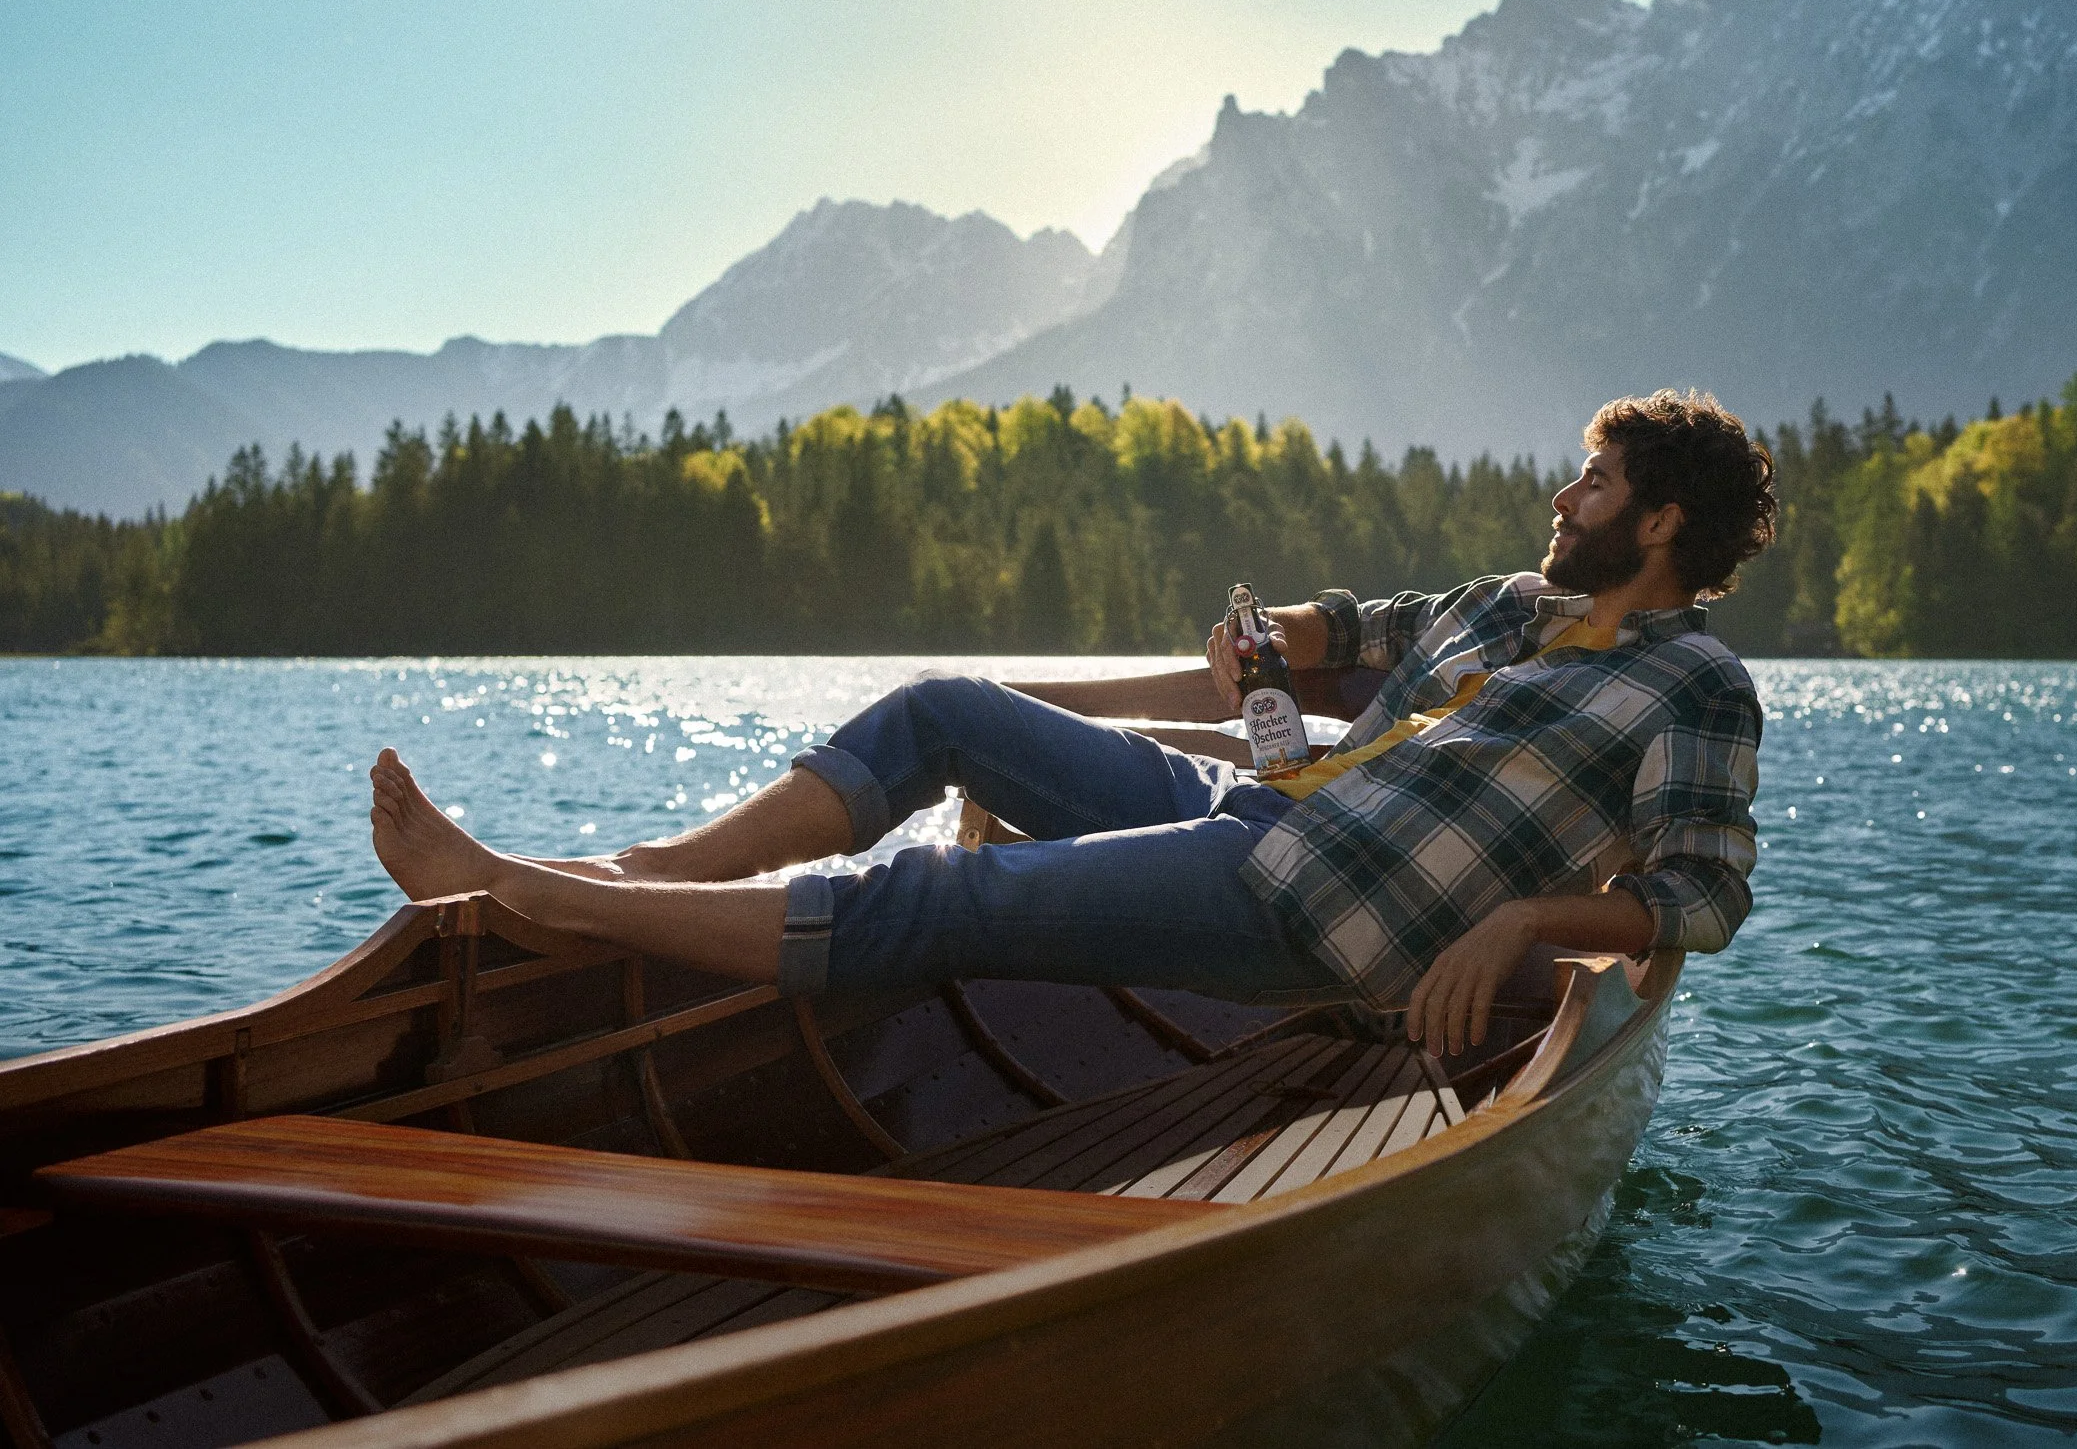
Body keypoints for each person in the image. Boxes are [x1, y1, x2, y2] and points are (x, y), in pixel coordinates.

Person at [368, 389, 1775, 1057]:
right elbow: (1335, 637)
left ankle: (547, 899)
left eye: (1591, 486)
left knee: (937, 899)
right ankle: (662, 873)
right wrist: (1264, 640)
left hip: (1318, 907)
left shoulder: (1692, 688)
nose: (1562, 498)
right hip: (1258, 818)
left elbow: (1698, 896)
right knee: (945, 712)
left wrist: (1525, 924)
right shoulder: (1503, 603)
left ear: (1660, 520)